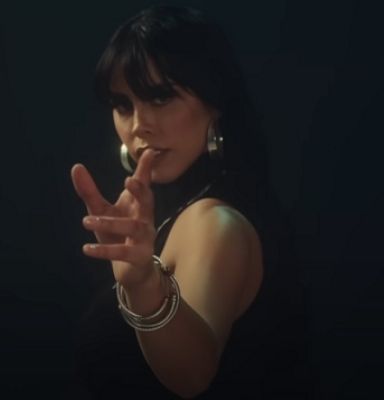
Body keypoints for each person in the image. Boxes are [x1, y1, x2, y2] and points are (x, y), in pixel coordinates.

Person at [70, 5, 308, 399]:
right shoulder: (185, 211)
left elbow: (192, 375)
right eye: (123, 105)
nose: (138, 125)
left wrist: (144, 285)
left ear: (215, 100)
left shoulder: (215, 223)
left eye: (160, 97)